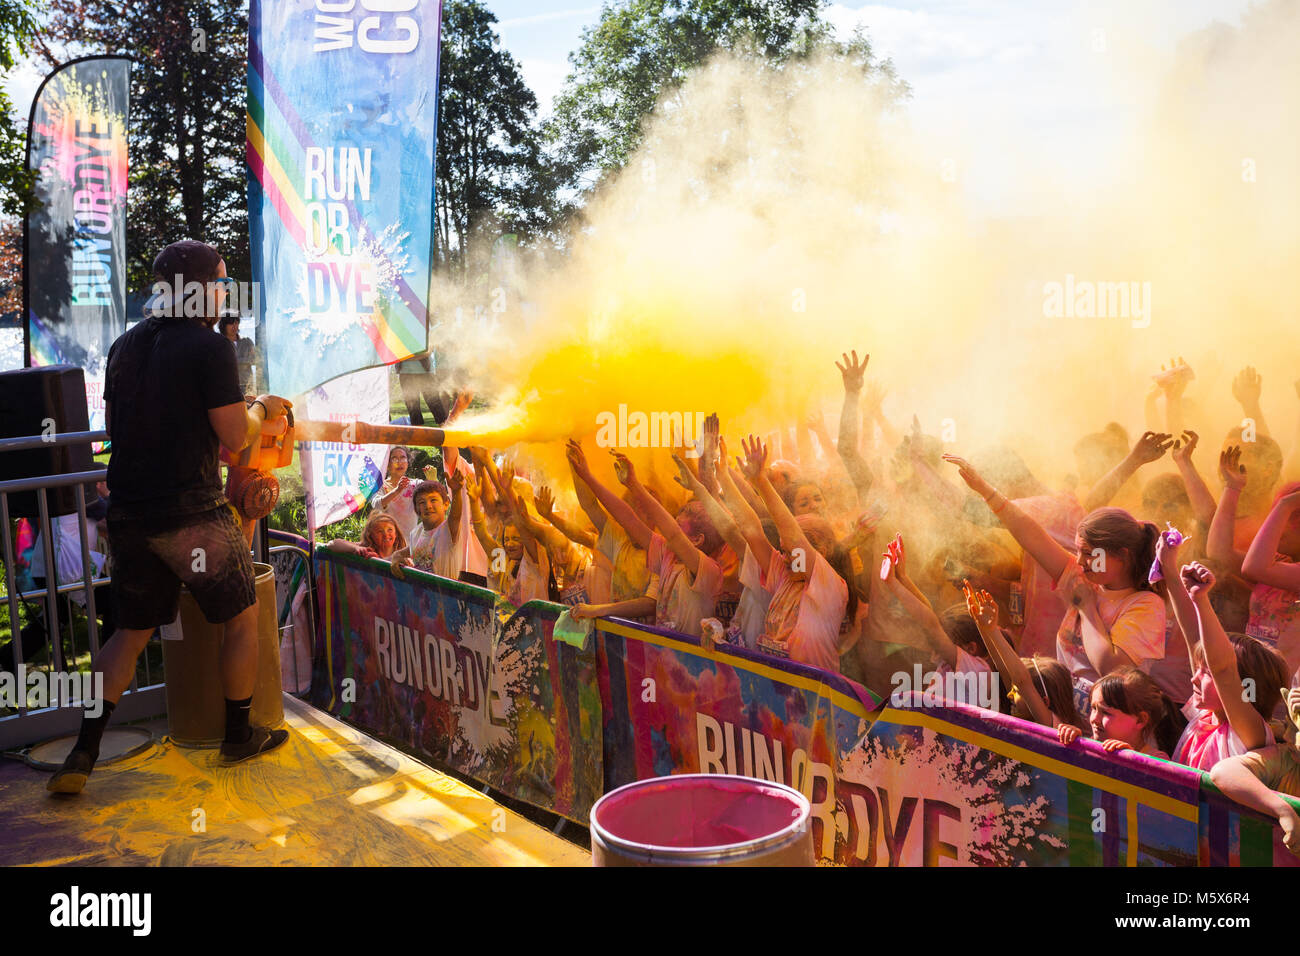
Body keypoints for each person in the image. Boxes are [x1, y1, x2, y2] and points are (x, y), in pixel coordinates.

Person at [49, 239, 292, 794]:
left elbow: (116, 431)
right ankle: (237, 735)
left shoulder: (123, 346)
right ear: (196, 288)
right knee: (240, 617)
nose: (226, 292)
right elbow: (235, 437)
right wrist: (261, 410)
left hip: (131, 513)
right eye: (220, 282)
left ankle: (83, 754)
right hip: (192, 511)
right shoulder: (208, 348)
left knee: (128, 635)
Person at [945, 454, 1167, 720]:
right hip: (1062, 720)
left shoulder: (1145, 606)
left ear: (1121, 555)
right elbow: (1032, 534)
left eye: (1088, 553)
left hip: (1103, 733)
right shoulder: (1084, 578)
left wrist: (1087, 610)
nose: (1080, 561)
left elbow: (1111, 668)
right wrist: (985, 490)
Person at [1057, 667, 1178, 758]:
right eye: (1094, 708)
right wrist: (1073, 742)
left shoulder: (1155, 760)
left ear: (1140, 720)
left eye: (1106, 713)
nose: (1094, 719)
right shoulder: (1091, 743)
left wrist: (1130, 762)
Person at [374, 446, 419, 539]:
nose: (399, 462)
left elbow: (435, 496)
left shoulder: (416, 484)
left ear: (408, 462)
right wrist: (397, 490)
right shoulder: (380, 486)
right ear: (387, 463)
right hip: (388, 542)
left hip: (410, 544)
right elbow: (376, 505)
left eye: (403, 458)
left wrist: (433, 479)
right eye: (394, 459)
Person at [217, 313, 262, 396]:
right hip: (227, 387)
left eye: (236, 322)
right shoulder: (219, 344)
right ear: (224, 325)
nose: (234, 326)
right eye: (231, 323)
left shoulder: (247, 342)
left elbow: (255, 360)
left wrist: (234, 361)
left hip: (248, 386)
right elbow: (222, 364)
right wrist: (245, 360)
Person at [329, 513, 406, 560]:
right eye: (380, 531)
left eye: (390, 530)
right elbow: (332, 544)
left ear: (396, 534)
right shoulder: (367, 549)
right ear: (371, 536)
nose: (385, 535)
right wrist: (356, 548)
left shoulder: (402, 552)